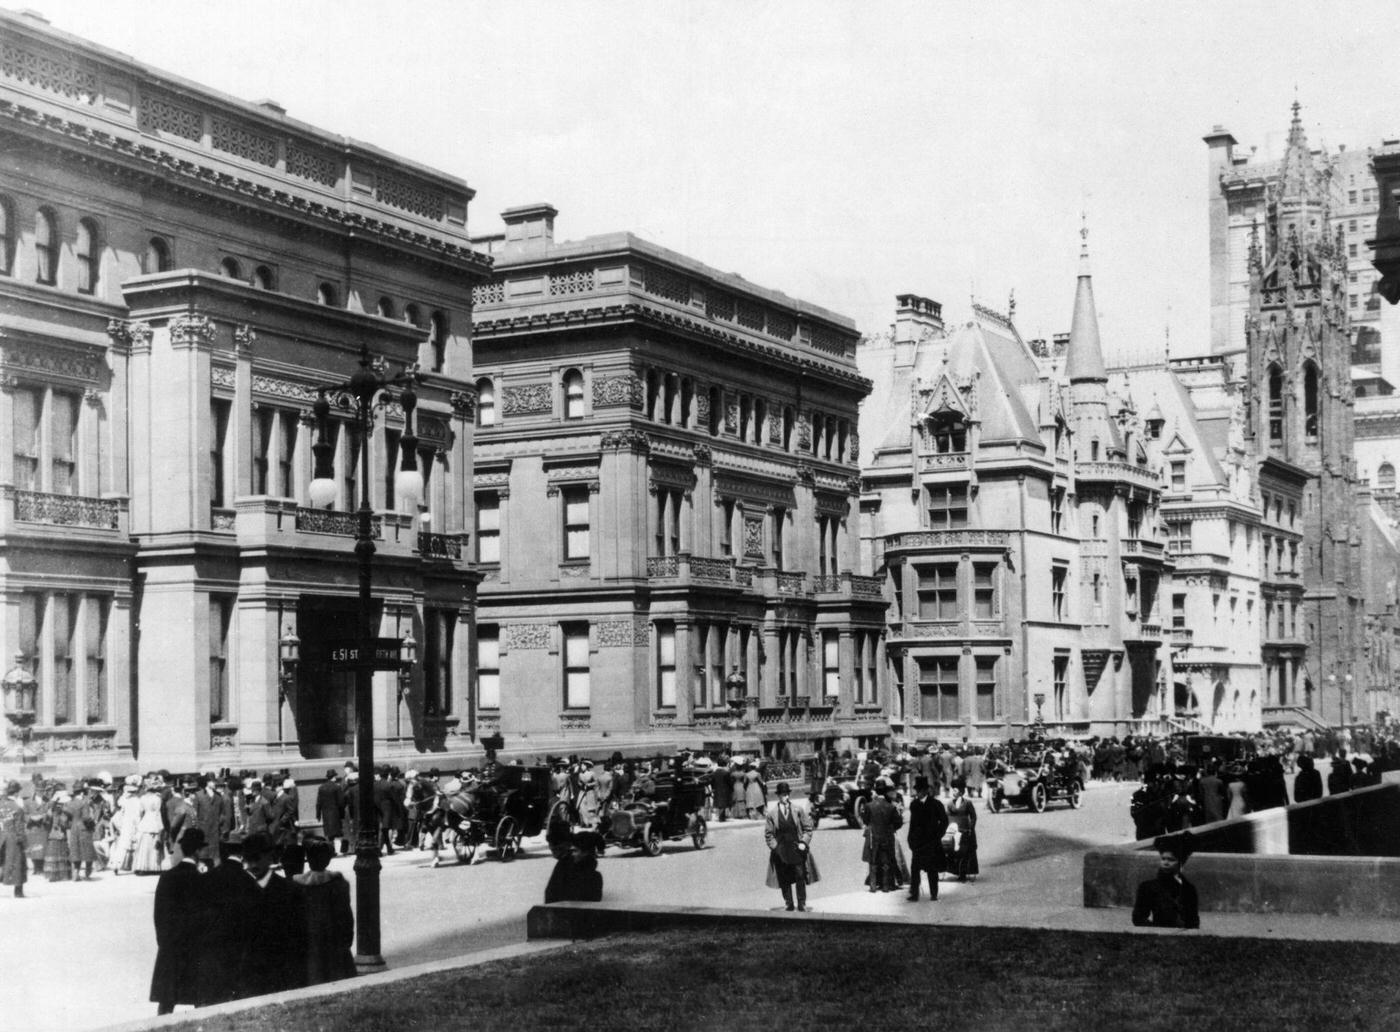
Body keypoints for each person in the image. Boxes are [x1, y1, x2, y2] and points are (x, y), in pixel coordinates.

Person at [231, 831, 308, 1000]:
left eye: (256, 859)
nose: (252, 865)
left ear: (269, 856)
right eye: (248, 860)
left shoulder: (289, 890)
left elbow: (300, 936)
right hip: (251, 977)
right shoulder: (241, 892)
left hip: (282, 972)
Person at [150, 828, 208, 1014]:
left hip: (171, 946)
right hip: (196, 947)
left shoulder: (167, 877)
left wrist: (164, 941)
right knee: (200, 999)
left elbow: (159, 914)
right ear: (198, 851)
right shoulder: (203, 878)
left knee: (167, 1000)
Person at [292, 838, 356, 986]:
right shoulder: (338, 883)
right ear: (328, 859)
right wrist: (347, 939)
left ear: (308, 859)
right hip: (334, 940)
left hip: (309, 940)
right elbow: (346, 916)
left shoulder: (297, 885)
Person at [763, 782, 818, 911]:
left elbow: (808, 828)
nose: (786, 797)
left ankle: (801, 903)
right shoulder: (772, 814)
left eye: (787, 794)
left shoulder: (798, 810)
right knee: (784, 878)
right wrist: (775, 848)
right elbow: (768, 834)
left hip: (796, 849)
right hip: (781, 850)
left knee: (800, 875)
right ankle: (789, 903)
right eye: (783, 795)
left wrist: (804, 842)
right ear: (778, 796)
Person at [1132, 832, 1200, 929]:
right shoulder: (1147, 887)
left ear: (1180, 863)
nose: (1165, 863)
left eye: (1171, 860)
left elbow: (1194, 922)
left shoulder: (1189, 889)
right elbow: (1138, 919)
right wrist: (1159, 930)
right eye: (1163, 859)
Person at [906, 775, 948, 902]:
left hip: (932, 842)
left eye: (919, 791)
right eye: (916, 790)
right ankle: (914, 894)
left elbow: (944, 822)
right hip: (918, 843)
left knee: (932, 870)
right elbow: (912, 824)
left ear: (925, 791)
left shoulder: (936, 804)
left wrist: (938, 835)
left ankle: (933, 894)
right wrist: (910, 839)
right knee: (915, 870)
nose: (917, 793)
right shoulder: (914, 805)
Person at [863, 779, 905, 893]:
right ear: (885, 791)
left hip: (874, 837)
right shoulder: (890, 807)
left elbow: (865, 821)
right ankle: (887, 885)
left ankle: (873, 885)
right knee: (887, 860)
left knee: (873, 860)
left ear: (875, 791)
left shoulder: (869, 806)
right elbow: (898, 822)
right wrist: (891, 828)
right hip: (887, 836)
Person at [544, 831, 605, 904]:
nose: (572, 854)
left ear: (585, 853)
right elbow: (550, 894)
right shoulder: (563, 866)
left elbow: (592, 905)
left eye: (575, 851)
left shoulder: (594, 877)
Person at [945, 777, 980, 882]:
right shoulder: (950, 804)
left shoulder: (968, 803)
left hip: (965, 831)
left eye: (955, 790)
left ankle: (963, 874)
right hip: (954, 831)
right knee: (955, 852)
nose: (953, 792)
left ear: (960, 791)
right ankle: (956, 871)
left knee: (964, 853)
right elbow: (947, 818)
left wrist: (971, 827)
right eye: (952, 790)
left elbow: (973, 816)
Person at [0, 780, 27, 898]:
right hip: (13, 838)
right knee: (18, 863)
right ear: (16, 793)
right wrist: (23, 841)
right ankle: (18, 891)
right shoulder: (17, 808)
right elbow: (19, 828)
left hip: (1, 836)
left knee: (3, 862)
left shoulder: (1, 805)